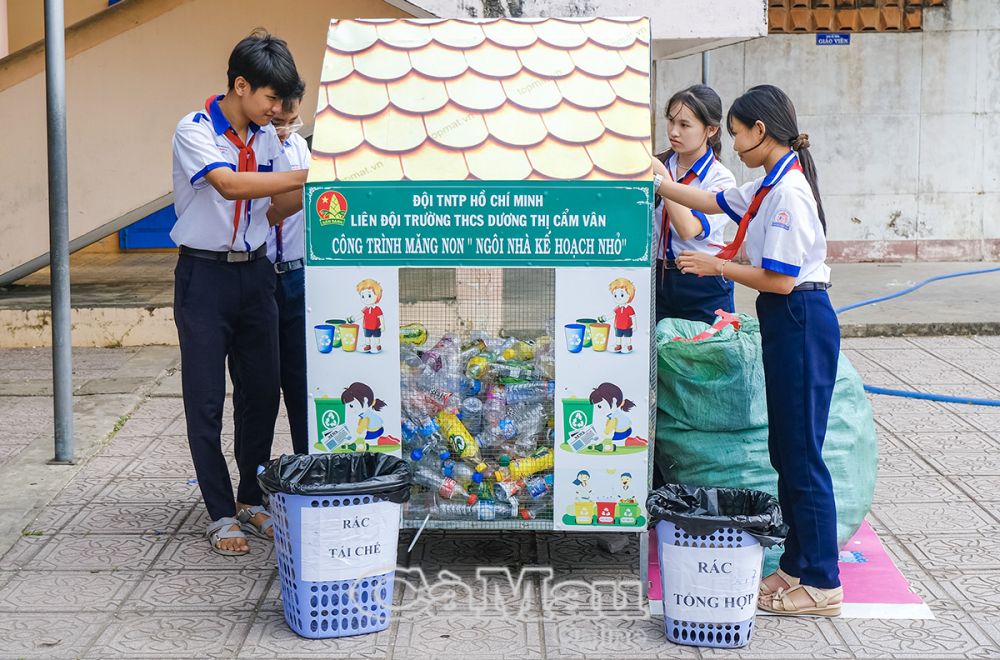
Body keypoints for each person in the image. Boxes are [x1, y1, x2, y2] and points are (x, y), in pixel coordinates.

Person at [653, 84, 843, 616]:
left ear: (761, 130)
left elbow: (780, 279)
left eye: (736, 133)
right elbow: (711, 202)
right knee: (785, 450)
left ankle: (824, 581)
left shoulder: (787, 194)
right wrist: (661, 180)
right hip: (784, 319)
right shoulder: (766, 186)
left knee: (804, 455)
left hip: (800, 316)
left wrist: (716, 266)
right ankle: (795, 565)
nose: (734, 145)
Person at [171, 30, 306, 556]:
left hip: (257, 275)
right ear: (241, 85)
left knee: (263, 393)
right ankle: (220, 512)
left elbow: (272, 207)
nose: (277, 109)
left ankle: (251, 498)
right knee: (205, 401)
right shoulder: (196, 127)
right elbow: (227, 185)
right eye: (271, 98)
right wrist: (308, 172)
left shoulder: (270, 137)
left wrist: (327, 185)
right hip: (203, 279)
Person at [229, 83, 310, 461]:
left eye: (292, 123)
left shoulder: (298, 148)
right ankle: (253, 482)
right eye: (278, 122)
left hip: (297, 276)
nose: (284, 131)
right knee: (256, 388)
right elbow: (268, 211)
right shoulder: (247, 150)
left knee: (303, 383)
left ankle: (309, 469)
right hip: (256, 275)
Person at [653, 85, 737, 325]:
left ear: (711, 130)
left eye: (685, 125)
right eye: (671, 121)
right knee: (659, 358)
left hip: (703, 283)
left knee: (707, 355)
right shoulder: (660, 165)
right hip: (657, 277)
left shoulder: (721, 179)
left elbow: (688, 229)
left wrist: (662, 181)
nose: (674, 132)